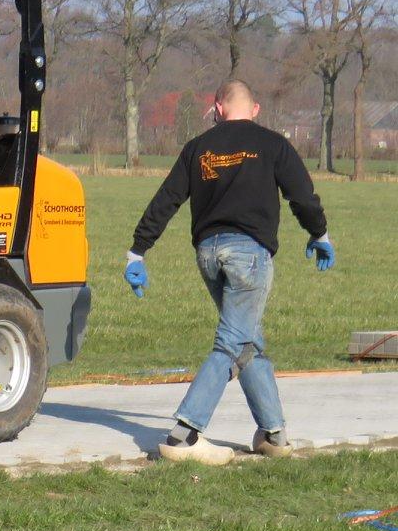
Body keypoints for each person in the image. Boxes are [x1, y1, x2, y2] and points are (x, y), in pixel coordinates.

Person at [125, 79, 334, 464]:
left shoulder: (197, 148)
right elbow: (302, 195)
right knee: (232, 342)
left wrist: (138, 251)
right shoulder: (273, 144)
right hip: (248, 256)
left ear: (217, 108)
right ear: (255, 110)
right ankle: (184, 435)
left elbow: (167, 199)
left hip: (208, 254)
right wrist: (319, 232)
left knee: (246, 340)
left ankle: (273, 434)